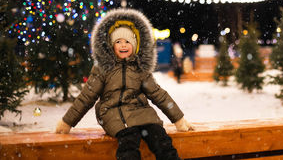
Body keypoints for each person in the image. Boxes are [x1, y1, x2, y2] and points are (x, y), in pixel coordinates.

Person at [55, 8, 194, 160]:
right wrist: (67, 122)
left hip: (141, 112)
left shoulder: (139, 68)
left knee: (161, 139)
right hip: (113, 113)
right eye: (118, 41)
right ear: (111, 45)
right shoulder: (103, 68)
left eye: (127, 41)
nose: (123, 45)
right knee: (129, 142)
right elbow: (86, 97)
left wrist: (178, 119)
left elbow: (158, 94)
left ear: (135, 45)